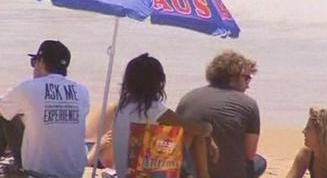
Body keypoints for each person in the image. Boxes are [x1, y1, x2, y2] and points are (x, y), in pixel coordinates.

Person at [112, 53, 212, 178]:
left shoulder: (122, 108)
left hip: (125, 174)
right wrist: (208, 129)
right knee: (194, 134)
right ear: (159, 81)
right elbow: (198, 129)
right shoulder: (153, 109)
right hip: (144, 174)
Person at [0, 40, 90, 178]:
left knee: (4, 113)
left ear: (41, 62)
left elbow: (4, 109)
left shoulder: (29, 88)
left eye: (34, 62)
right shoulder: (82, 91)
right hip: (74, 173)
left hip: (37, 173)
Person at [176, 50, 266, 178]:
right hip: (229, 174)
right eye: (246, 78)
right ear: (232, 77)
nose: (248, 85)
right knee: (259, 161)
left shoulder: (188, 98)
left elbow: (177, 139)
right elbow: (249, 154)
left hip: (189, 171)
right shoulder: (249, 104)